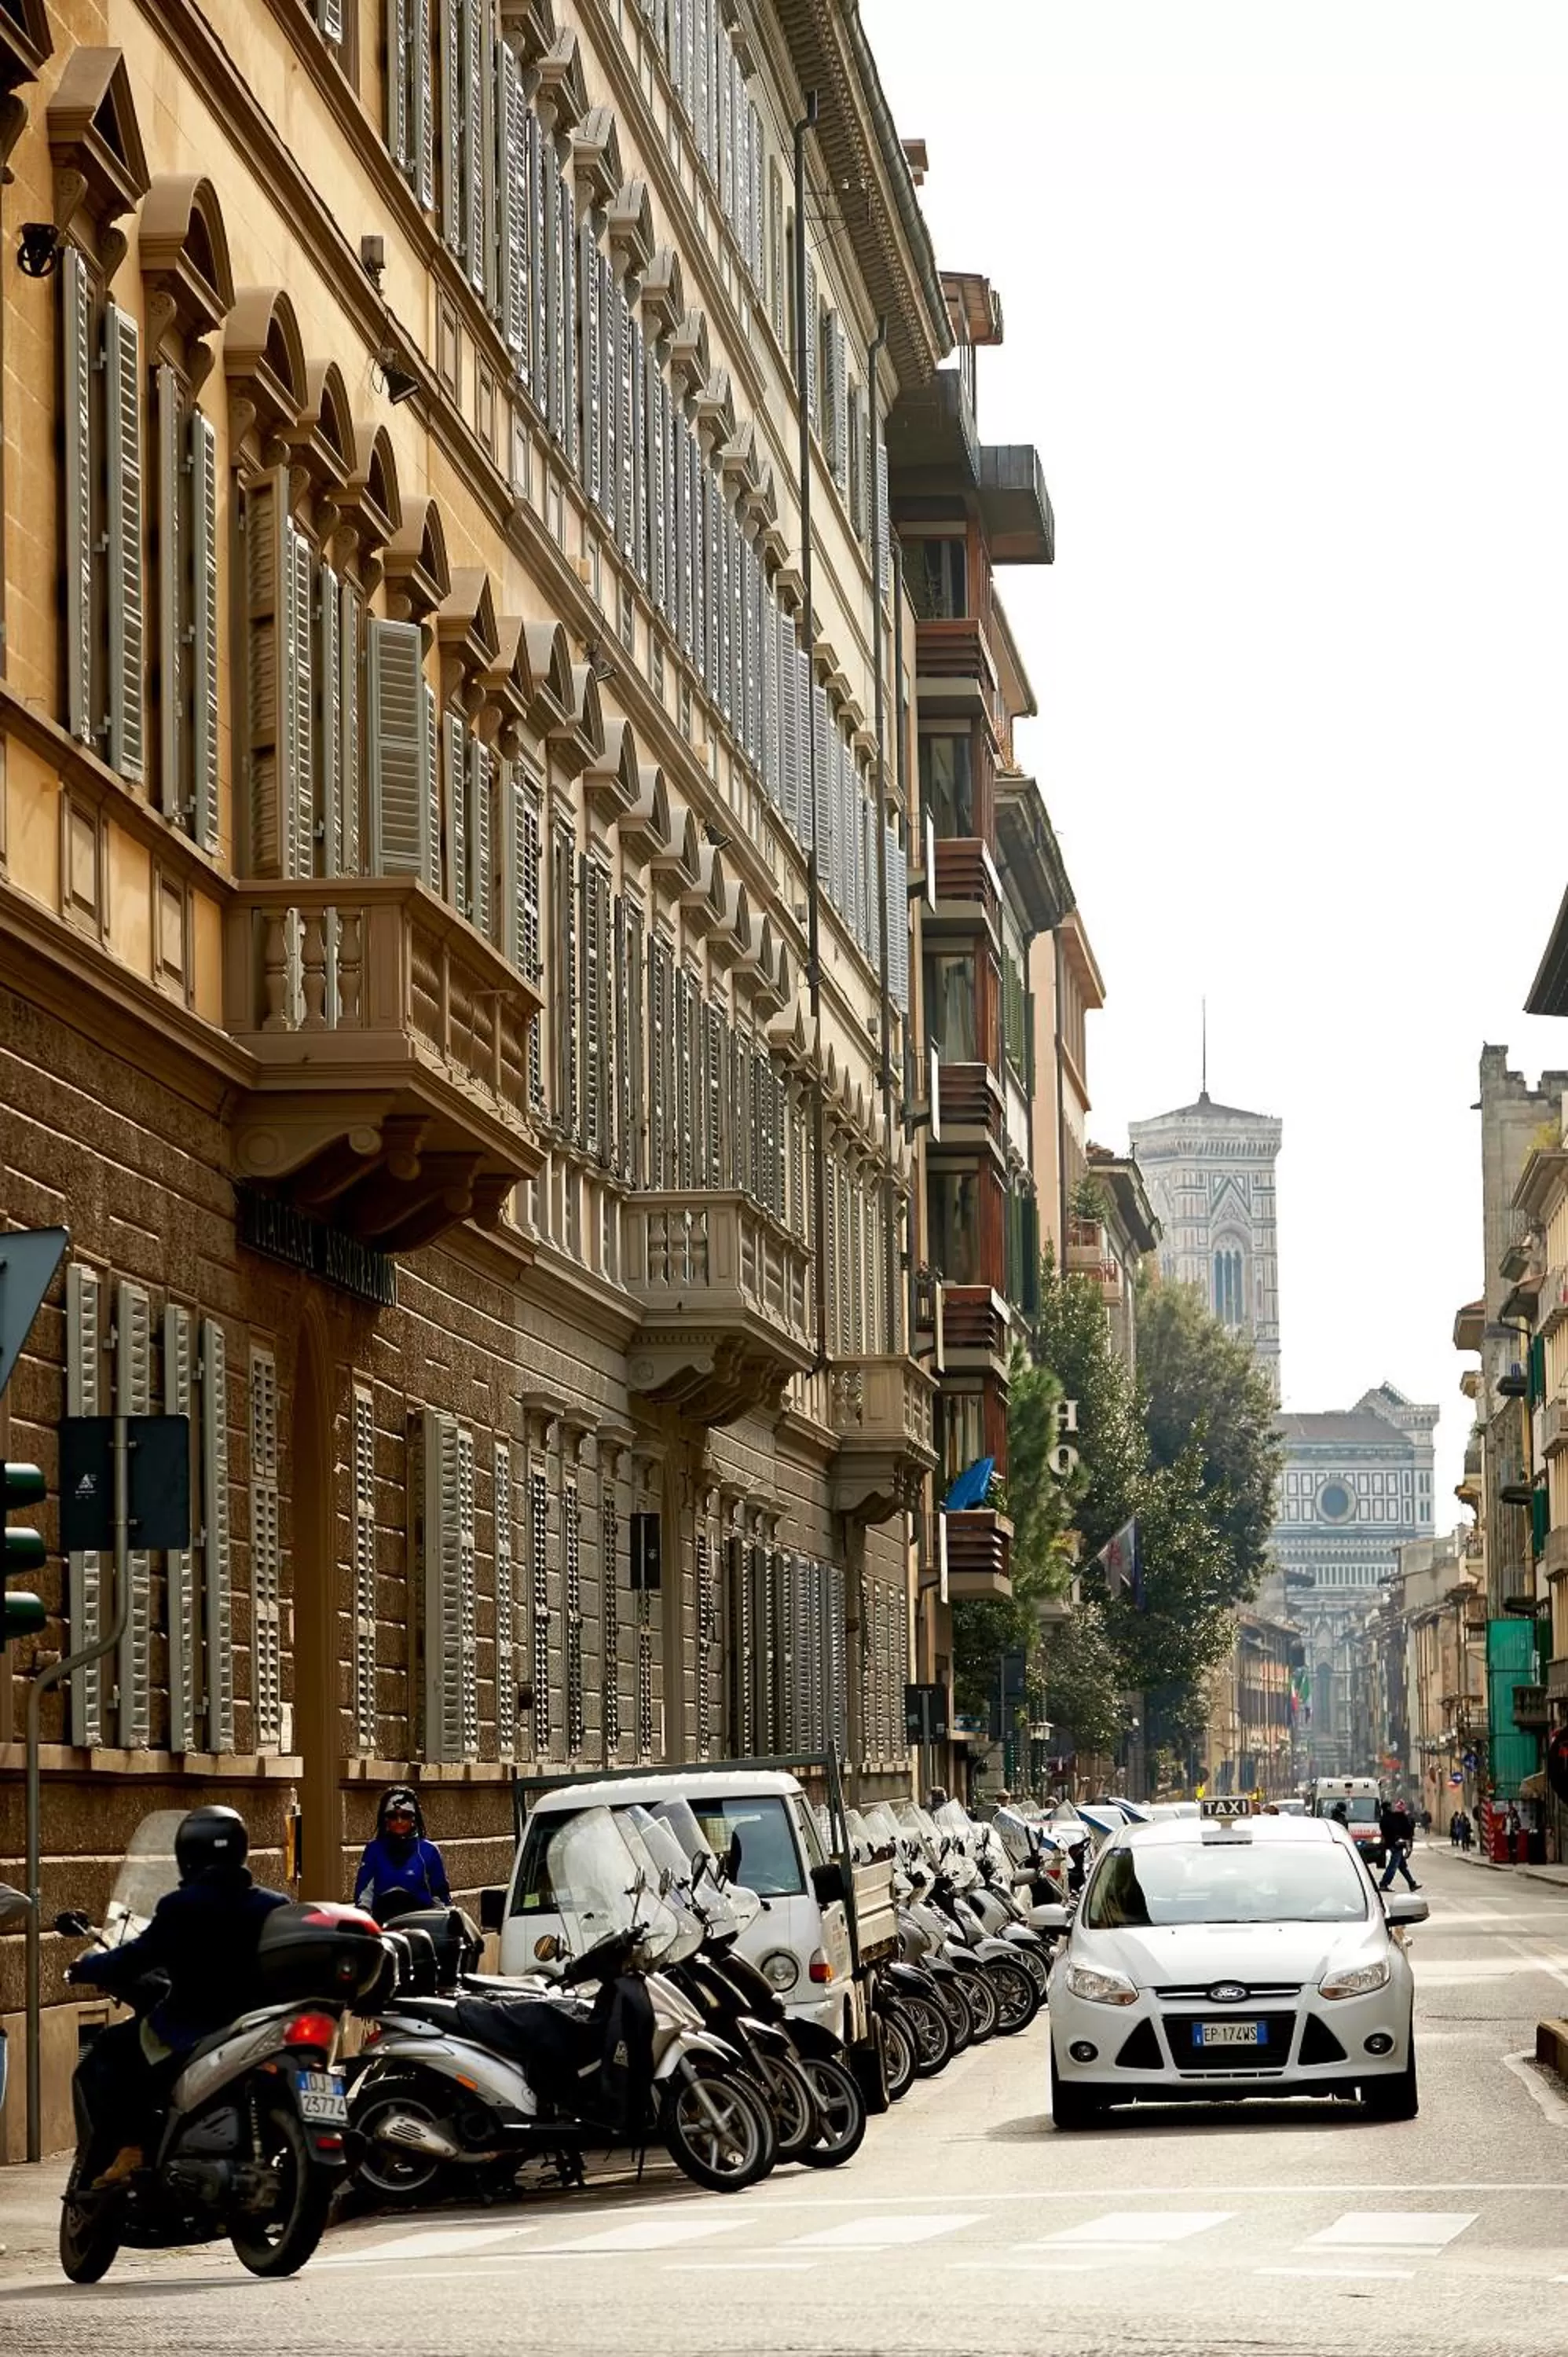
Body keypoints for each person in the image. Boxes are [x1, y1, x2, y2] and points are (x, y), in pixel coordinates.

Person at [68, 1806, 288, 2188]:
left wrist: (87, 1968)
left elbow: (136, 1958)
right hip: (254, 2027)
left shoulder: (182, 1907)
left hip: (188, 2028)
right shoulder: (274, 1905)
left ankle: (132, 2147)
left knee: (109, 2051)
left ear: (187, 1854)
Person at [354, 1786, 450, 1917]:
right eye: (393, 1816)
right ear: (386, 1819)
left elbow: (441, 1899)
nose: (399, 1821)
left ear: (414, 1818)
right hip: (383, 1927)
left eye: (405, 1815)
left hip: (421, 1925)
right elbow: (364, 1898)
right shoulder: (374, 1850)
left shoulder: (428, 1851)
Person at [1379, 1798, 1419, 1893]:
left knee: (1402, 1866)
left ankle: (1412, 1884)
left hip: (1393, 1844)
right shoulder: (1390, 1818)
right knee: (1393, 1866)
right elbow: (1397, 1829)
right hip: (1396, 1845)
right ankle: (1384, 1884)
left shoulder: (1384, 1818)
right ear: (1388, 1807)